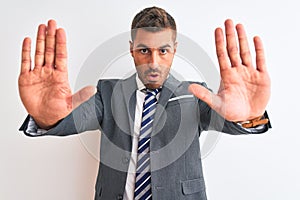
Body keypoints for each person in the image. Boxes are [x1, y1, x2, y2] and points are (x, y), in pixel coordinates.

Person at [19, 6, 271, 200]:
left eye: (163, 50)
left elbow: (227, 120)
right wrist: (46, 117)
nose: (153, 61)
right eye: (143, 50)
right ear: (131, 49)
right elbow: (75, 119)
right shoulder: (107, 92)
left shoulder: (196, 94)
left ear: (174, 49)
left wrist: (248, 116)